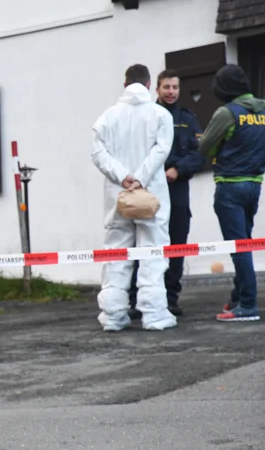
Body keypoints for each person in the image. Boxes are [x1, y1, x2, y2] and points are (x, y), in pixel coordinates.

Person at [91, 64, 177, 332]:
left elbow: (98, 153)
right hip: (151, 195)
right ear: (151, 85)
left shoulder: (107, 117)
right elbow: (161, 150)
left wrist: (123, 177)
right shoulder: (160, 114)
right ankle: (154, 315)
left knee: (116, 253)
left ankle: (114, 315)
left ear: (124, 84)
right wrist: (140, 177)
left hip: (118, 195)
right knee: (153, 253)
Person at [197, 64, 265, 322]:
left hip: (230, 187)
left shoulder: (226, 113)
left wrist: (206, 141)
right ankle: (238, 298)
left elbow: (205, 148)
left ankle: (248, 306)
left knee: (239, 248)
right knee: (245, 244)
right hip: (254, 186)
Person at [128, 69, 205, 320]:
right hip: (149, 187)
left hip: (176, 187)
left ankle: (170, 298)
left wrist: (177, 169)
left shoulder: (187, 118)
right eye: (166, 87)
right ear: (156, 89)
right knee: (143, 241)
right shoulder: (146, 116)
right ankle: (137, 300)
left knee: (176, 242)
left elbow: (199, 153)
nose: (171, 92)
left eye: (175, 87)